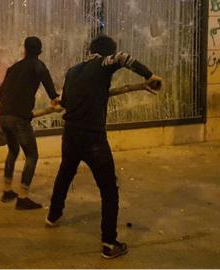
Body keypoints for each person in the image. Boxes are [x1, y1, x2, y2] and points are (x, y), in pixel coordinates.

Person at [46, 34, 162, 259]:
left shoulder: (72, 71)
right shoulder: (103, 62)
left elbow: (66, 103)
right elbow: (123, 58)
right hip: (93, 138)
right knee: (109, 190)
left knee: (65, 173)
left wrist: (60, 101)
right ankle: (109, 243)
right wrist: (149, 75)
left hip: (70, 134)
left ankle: (52, 215)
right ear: (107, 52)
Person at [0, 36, 60, 210]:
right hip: (19, 119)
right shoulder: (38, 66)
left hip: (3, 116)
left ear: (24, 49)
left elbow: (0, 95)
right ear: (40, 51)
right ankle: (23, 197)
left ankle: (7, 190)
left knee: (13, 151)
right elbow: (51, 90)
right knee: (32, 155)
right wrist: (55, 99)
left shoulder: (12, 68)